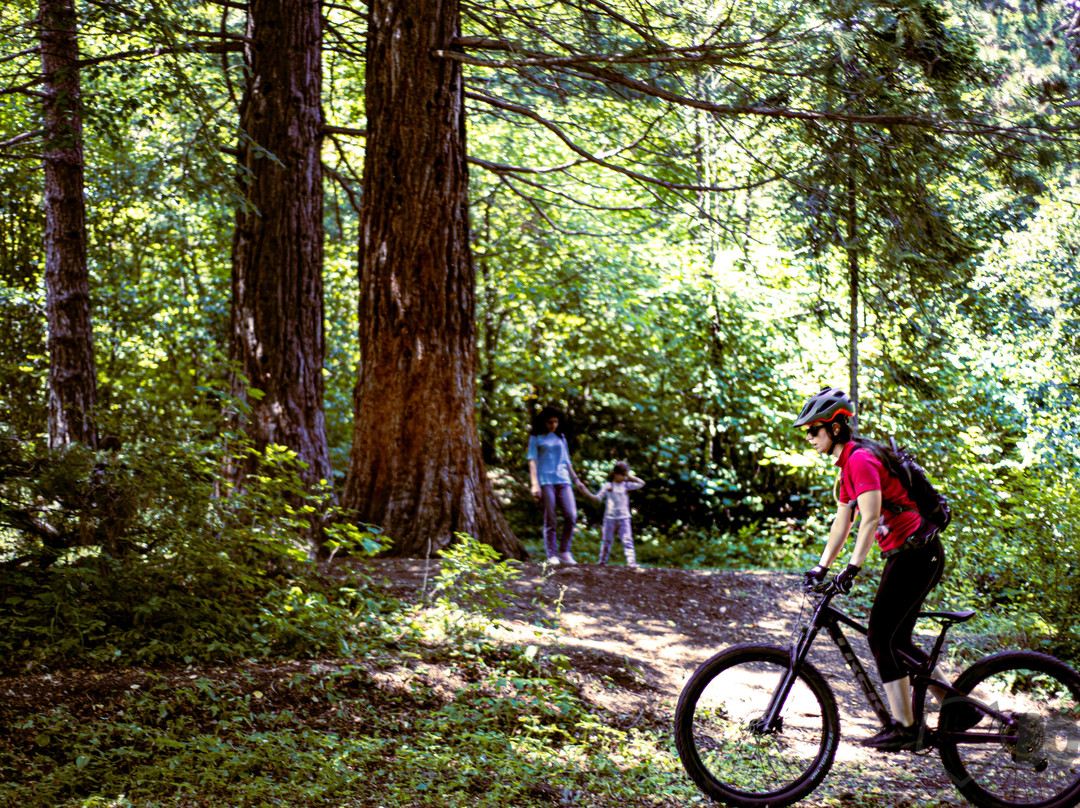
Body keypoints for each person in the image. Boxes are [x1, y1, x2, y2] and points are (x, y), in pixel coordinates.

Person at [795, 386, 971, 752]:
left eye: (814, 429)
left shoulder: (860, 461)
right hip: (907, 555)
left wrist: (852, 568)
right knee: (897, 641)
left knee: (881, 637)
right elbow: (842, 524)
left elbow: (870, 516)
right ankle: (961, 710)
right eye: (807, 431)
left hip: (918, 554)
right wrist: (821, 566)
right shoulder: (845, 469)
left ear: (836, 428)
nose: (809, 437)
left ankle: (907, 727)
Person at [527, 405, 591, 565]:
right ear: (543, 422)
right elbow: (532, 461)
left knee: (571, 515)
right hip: (545, 481)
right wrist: (534, 484)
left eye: (556, 422)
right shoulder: (535, 438)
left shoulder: (561, 437)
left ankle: (564, 551)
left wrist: (577, 480)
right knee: (550, 518)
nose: (553, 425)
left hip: (563, 479)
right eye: (550, 422)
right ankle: (551, 555)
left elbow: (567, 461)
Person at [590, 461, 645, 567]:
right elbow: (598, 498)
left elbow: (641, 484)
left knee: (627, 539)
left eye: (625, 475)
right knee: (607, 540)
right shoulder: (608, 486)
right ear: (615, 473)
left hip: (624, 518)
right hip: (609, 518)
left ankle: (631, 561)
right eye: (622, 475)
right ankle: (602, 561)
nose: (624, 477)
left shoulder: (626, 485)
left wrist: (629, 477)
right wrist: (587, 493)